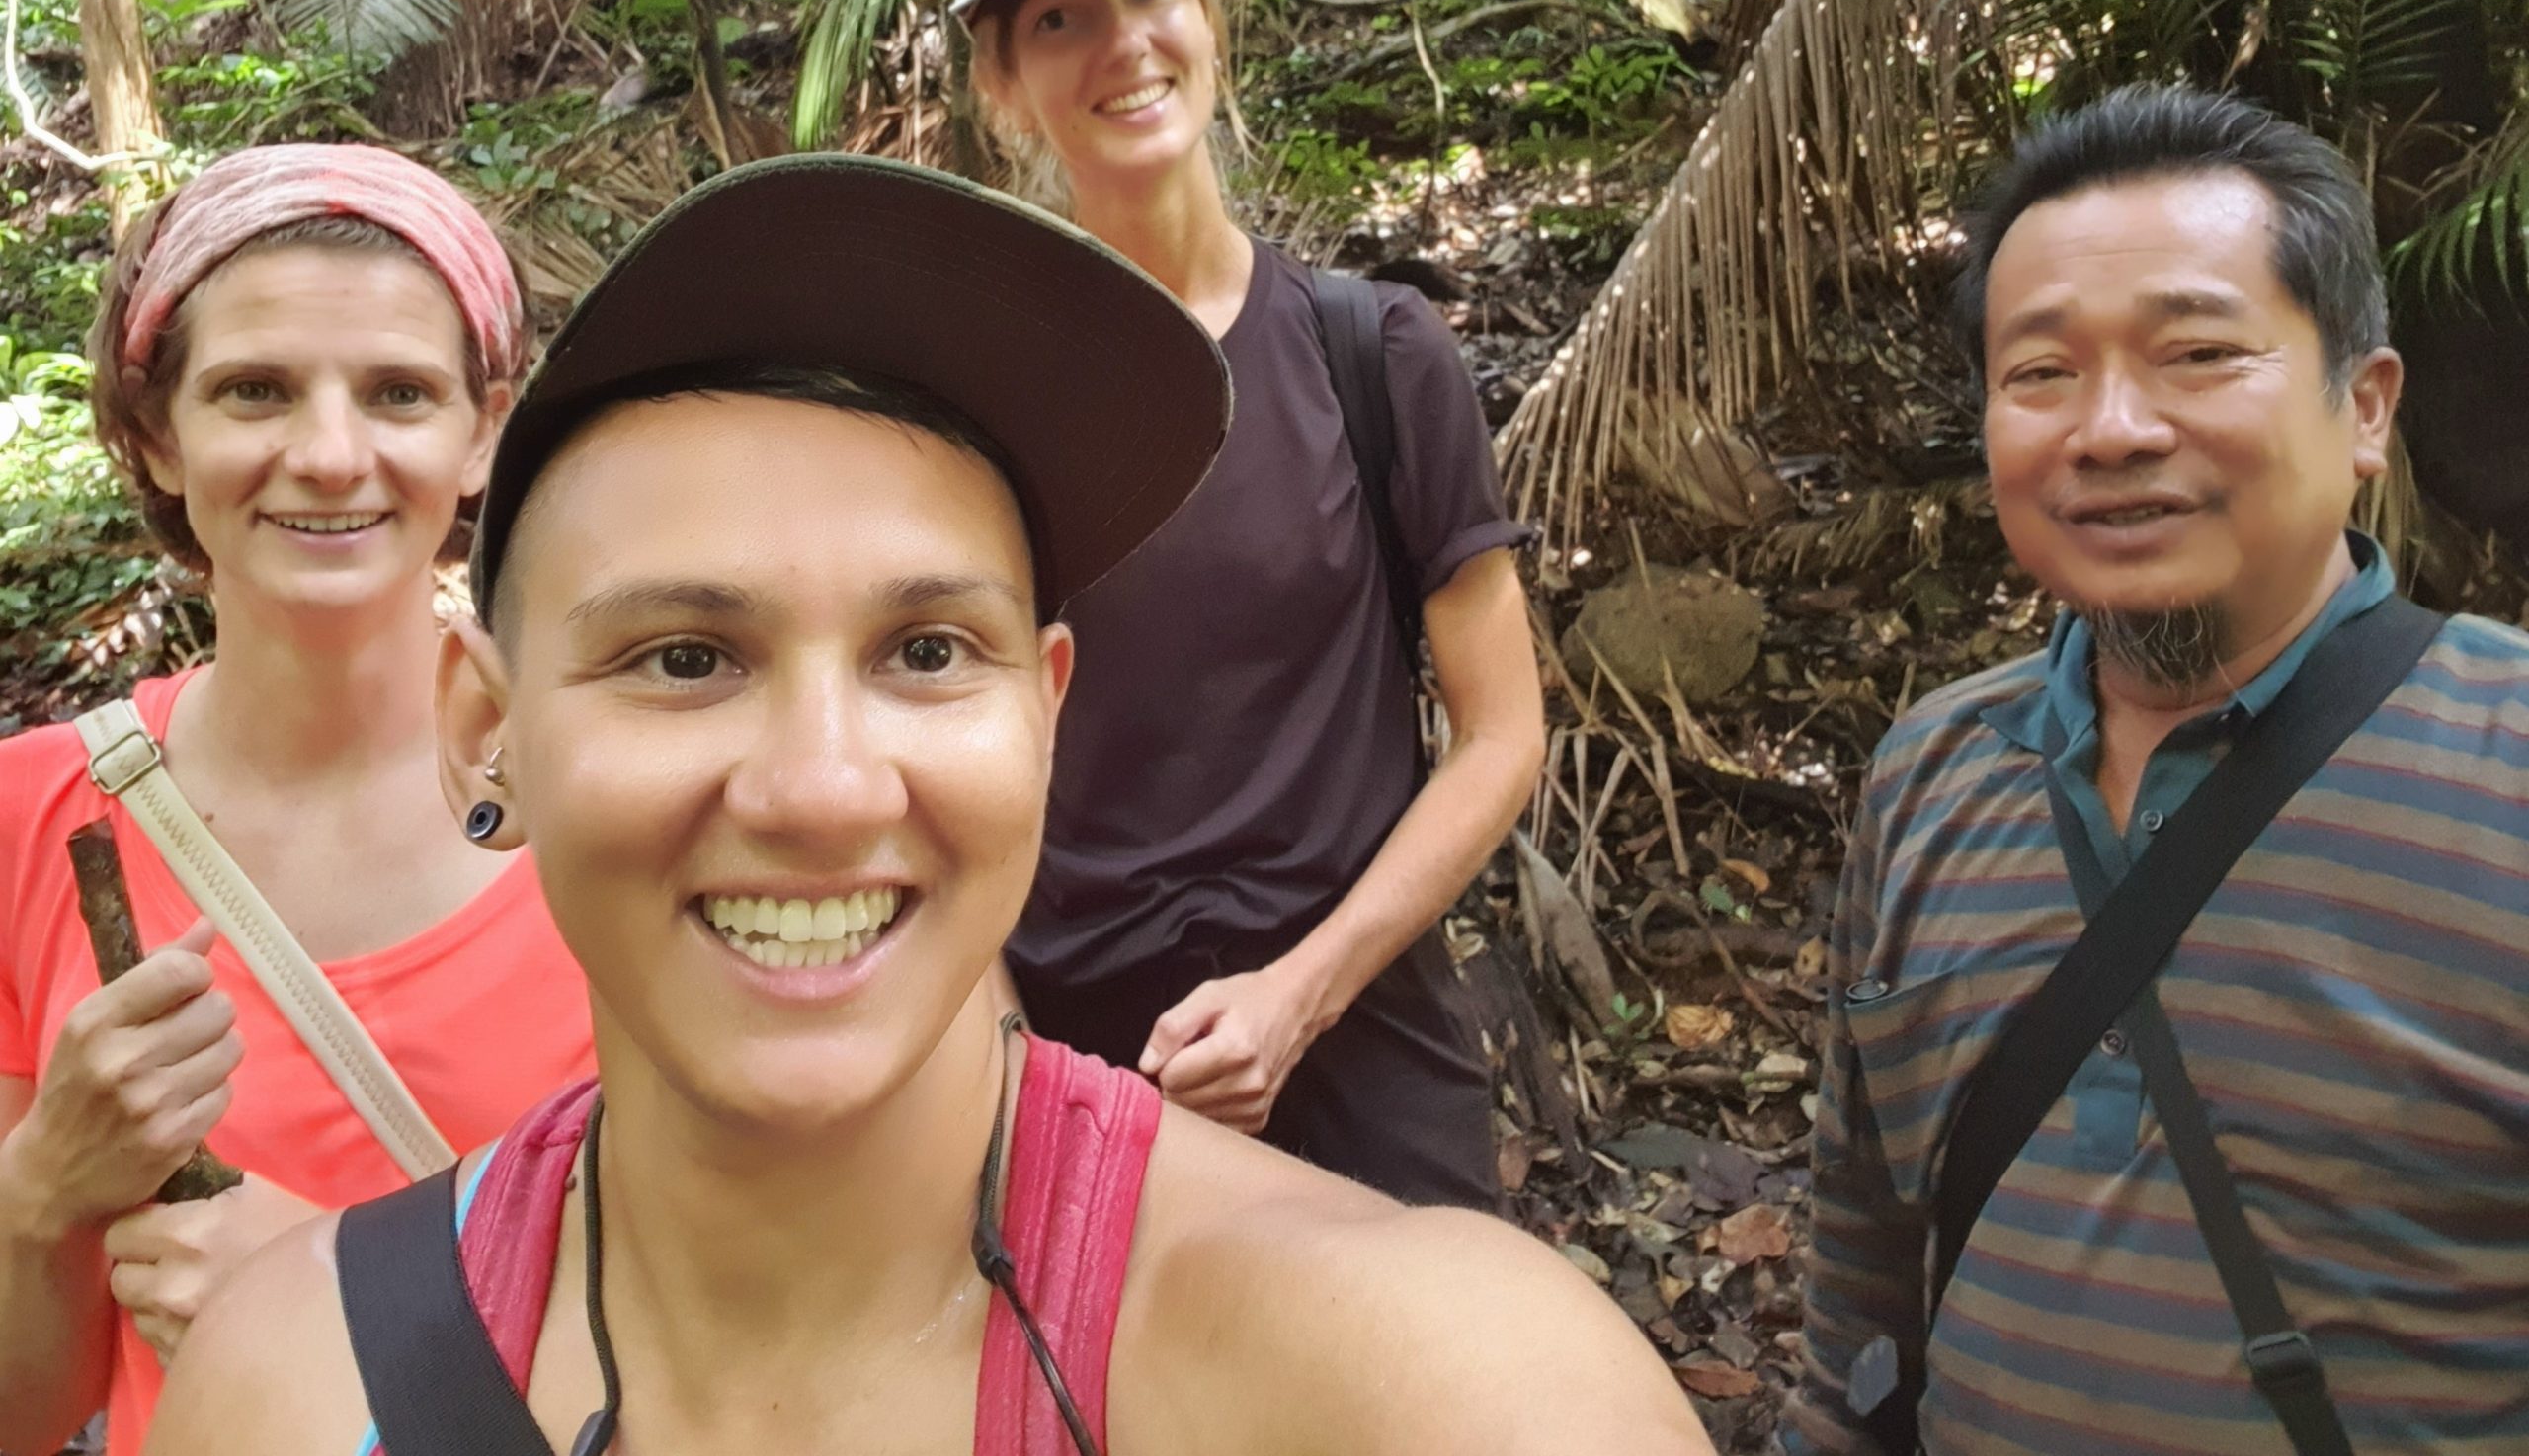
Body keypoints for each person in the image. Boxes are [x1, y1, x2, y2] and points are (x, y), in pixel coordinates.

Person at [139, 152, 1713, 1456]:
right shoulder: (294, 1390)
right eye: (688, 657)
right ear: (486, 732)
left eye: (926, 652)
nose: (823, 787)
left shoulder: (1430, 1388)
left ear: (1046, 713)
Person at [1784, 87, 2529, 1454]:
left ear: (2364, 409)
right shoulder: (1936, 773)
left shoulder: (2508, 761)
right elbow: (1862, 1279)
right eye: (2041, 373)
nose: (2110, 428)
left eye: (2195, 353)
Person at [948, 0, 1547, 1208]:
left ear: (1207, 18)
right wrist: (1008, 1066)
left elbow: (1501, 732)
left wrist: (1301, 993)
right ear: (1005, 93)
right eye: (1057, 19)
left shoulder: (1375, 354)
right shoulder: (976, 410)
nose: (1123, 42)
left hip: (1362, 1043)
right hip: (1081, 1071)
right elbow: (936, 764)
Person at [0, 147, 596, 1456]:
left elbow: (774, 1329)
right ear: (159, 432)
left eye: (399, 393)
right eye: (255, 391)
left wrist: (339, 1292)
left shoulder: (614, 798)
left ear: (484, 428)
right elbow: (28, 1413)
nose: (330, 456)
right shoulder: (33, 820)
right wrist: (43, 1190)